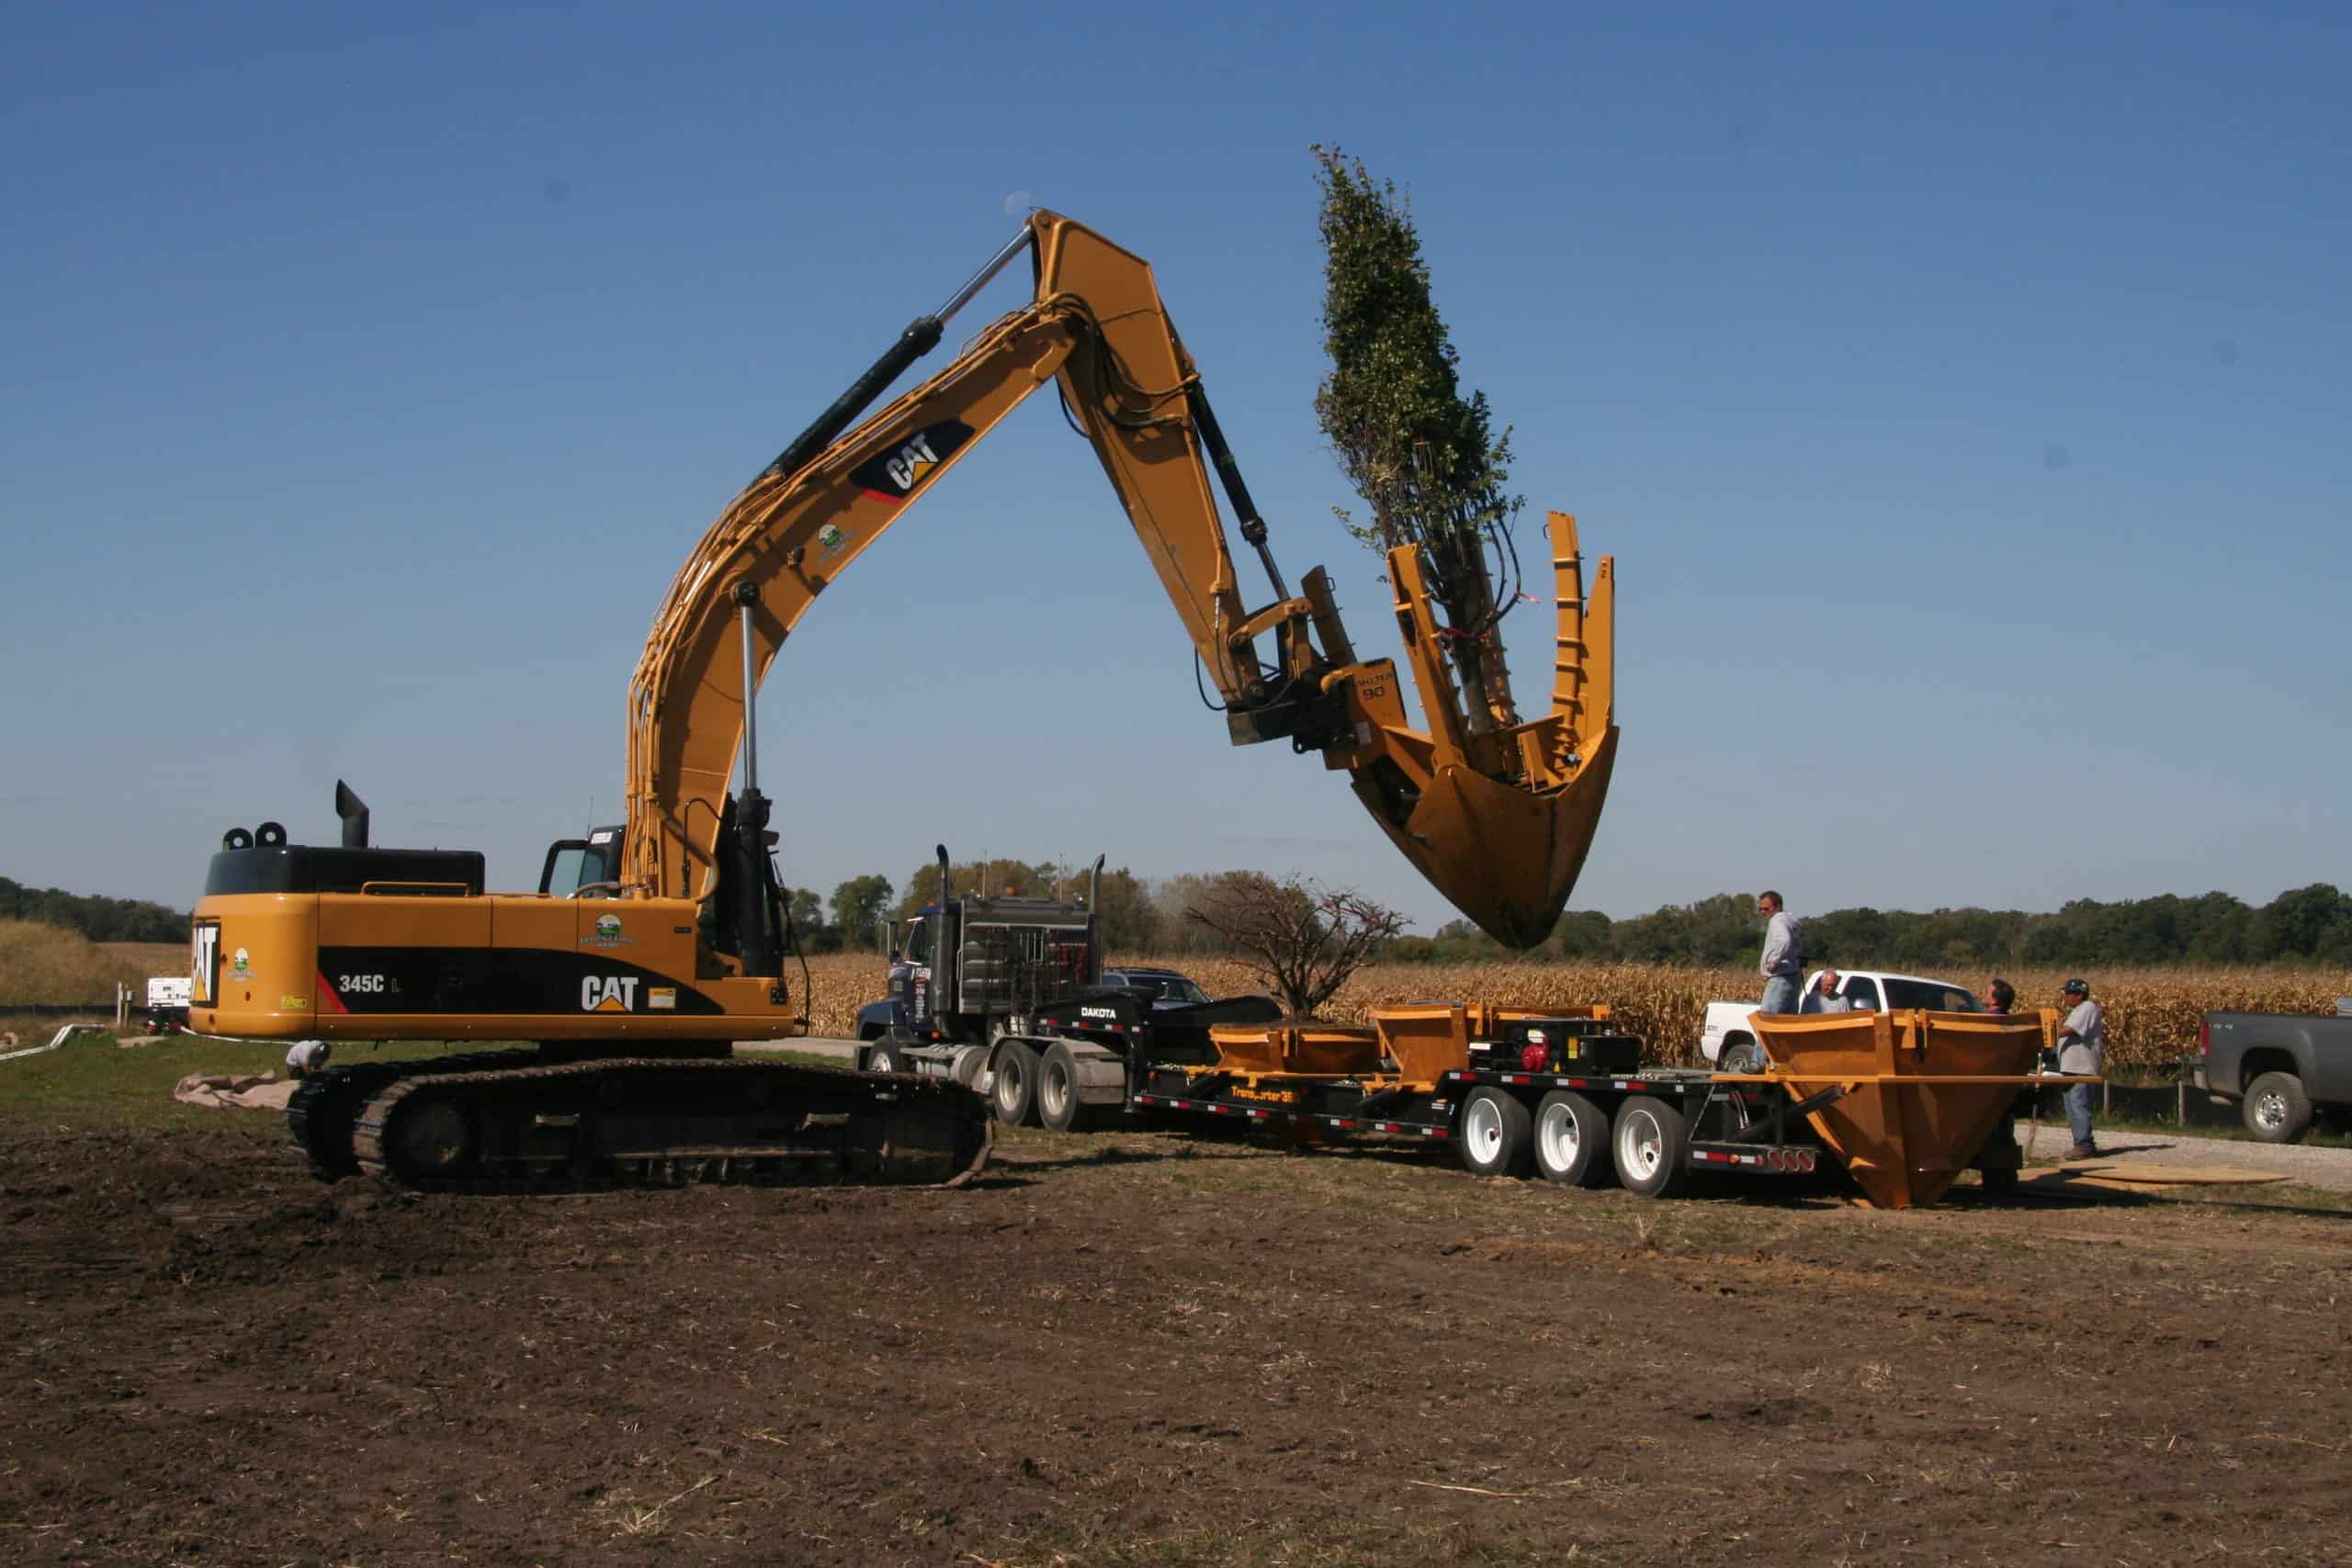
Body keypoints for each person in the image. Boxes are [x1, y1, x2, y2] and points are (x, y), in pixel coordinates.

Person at [2054, 978, 2105, 1158]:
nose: (2066, 997)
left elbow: (2070, 1030)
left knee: (2079, 1106)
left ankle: (2084, 1145)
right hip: (2071, 1068)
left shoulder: (2087, 1008)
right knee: (2072, 1107)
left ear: (2079, 995)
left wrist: (2046, 1033)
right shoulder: (2078, 1010)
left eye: (2068, 993)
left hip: (2081, 1068)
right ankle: (2080, 1143)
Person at [1756, 891, 1802, 1014]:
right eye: (1760, 909)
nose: (1763, 912)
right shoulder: (1790, 920)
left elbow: (1785, 941)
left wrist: (1774, 961)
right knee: (1788, 1020)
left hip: (1780, 977)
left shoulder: (1776, 920)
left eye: (1766, 908)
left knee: (1767, 1017)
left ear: (1778, 907)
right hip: (1793, 976)